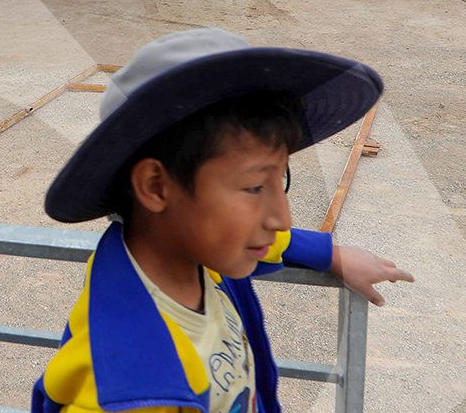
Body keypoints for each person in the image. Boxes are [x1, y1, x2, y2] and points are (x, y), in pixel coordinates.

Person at [33, 28, 413, 413]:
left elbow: (271, 239)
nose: (282, 218)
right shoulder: (130, 392)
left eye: (280, 180)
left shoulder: (188, 261)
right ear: (156, 187)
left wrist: (331, 255)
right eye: (253, 188)